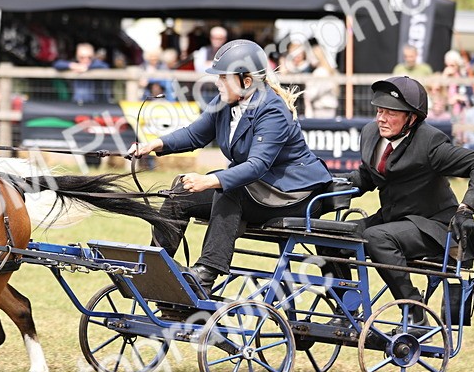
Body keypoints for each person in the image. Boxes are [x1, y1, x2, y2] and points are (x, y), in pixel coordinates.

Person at [127, 39, 334, 289]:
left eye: (223, 77)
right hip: (256, 188)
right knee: (180, 191)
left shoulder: (273, 110)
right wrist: (152, 144)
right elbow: (194, 135)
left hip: (292, 195)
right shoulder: (224, 102)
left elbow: (257, 165)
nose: (217, 82)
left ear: (246, 81)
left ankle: (206, 273)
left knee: (229, 188)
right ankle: (155, 263)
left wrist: (209, 180)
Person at [343, 76, 474, 318]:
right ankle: (346, 312)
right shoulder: (372, 133)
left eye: (391, 113)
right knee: (332, 236)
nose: (381, 118)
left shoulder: (430, 143)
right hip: (392, 219)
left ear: (412, 118)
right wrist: (326, 185)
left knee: (376, 237)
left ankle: (416, 314)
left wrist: (466, 208)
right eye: (380, 110)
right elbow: (368, 176)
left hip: (432, 226)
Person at [303, 40, 339, 119]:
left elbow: (314, 92)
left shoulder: (320, 72)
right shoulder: (329, 71)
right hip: (329, 108)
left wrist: (306, 95)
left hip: (321, 109)